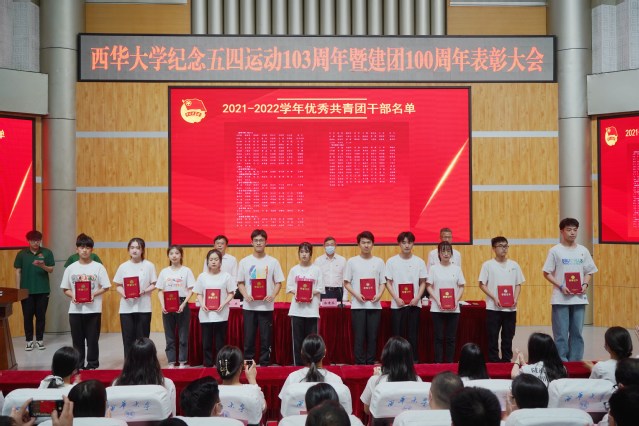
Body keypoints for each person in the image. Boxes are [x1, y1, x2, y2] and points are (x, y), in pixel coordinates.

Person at [543, 217, 598, 361]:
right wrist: (561, 286)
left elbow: (589, 271)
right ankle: (562, 362)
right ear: (562, 231)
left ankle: (575, 362)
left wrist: (585, 285)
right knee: (561, 334)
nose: (572, 233)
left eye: (575, 230)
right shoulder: (555, 251)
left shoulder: (583, 250)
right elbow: (546, 272)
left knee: (577, 333)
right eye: (569, 230)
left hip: (579, 298)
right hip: (560, 298)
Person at [60, 233, 111, 369]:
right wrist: (73, 296)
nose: (84, 250)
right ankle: (78, 365)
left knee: (92, 340)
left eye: (87, 248)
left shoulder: (98, 267)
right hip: (75, 310)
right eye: (82, 247)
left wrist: (93, 294)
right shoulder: (71, 268)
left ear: (91, 250)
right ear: (77, 249)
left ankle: (92, 365)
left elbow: (106, 286)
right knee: (77, 340)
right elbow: (65, 288)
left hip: (93, 310)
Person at [237, 229, 285, 366]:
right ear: (251, 243)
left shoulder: (273, 262)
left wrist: (273, 295)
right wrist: (246, 295)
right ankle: (248, 364)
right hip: (249, 307)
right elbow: (240, 282)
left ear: (266, 242)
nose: (258, 243)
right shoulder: (244, 262)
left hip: (266, 307)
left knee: (266, 339)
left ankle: (265, 364)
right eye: (256, 240)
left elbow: (279, 282)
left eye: (261, 240)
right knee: (249, 339)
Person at [478, 236, 525, 363]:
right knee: (492, 336)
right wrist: (494, 297)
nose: (504, 248)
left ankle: (506, 360)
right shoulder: (488, 265)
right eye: (500, 246)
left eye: (506, 246)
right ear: (493, 248)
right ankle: (493, 361)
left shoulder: (514, 265)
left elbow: (518, 284)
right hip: (493, 308)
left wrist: (515, 298)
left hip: (510, 308)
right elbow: (482, 284)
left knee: (508, 336)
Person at [344, 231, 386, 365]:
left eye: (369, 242)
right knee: (359, 337)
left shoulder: (379, 262)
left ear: (373, 244)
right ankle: (360, 364)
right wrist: (356, 295)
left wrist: (379, 295)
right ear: (358, 244)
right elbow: (346, 282)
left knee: (373, 337)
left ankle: (370, 363)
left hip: (374, 305)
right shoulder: (352, 262)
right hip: (358, 306)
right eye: (363, 242)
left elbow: (383, 282)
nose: (366, 245)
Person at [384, 231, 428, 362]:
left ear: (413, 244)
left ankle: (413, 361)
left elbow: (423, 282)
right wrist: (396, 298)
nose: (407, 245)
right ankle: (396, 361)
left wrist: (417, 298)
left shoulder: (419, 262)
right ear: (399, 244)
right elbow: (388, 282)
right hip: (398, 304)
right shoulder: (391, 261)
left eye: (409, 242)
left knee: (413, 335)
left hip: (414, 304)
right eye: (403, 243)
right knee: (397, 336)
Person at [113, 237, 158, 357]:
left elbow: (154, 284)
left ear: (142, 250)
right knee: (128, 339)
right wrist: (125, 294)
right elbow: (118, 285)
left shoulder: (149, 265)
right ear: (128, 250)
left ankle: (144, 363)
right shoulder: (123, 266)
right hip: (126, 308)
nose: (135, 250)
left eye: (138, 248)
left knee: (143, 339)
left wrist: (144, 291)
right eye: (132, 247)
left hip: (144, 307)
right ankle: (129, 364)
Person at [113, 337, 177, 415]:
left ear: (129, 359)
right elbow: (172, 416)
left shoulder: (116, 384)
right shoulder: (167, 385)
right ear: (154, 359)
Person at [194, 249, 236, 367]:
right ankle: (207, 363)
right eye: (211, 259)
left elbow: (231, 293)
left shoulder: (226, 276)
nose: (213, 262)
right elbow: (198, 293)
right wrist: (202, 304)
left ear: (220, 262)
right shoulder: (202, 276)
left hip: (221, 313)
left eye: (216, 259)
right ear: (207, 262)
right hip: (205, 314)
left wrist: (223, 304)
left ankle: (220, 363)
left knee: (220, 342)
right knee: (206, 342)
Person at [14, 230, 54, 351]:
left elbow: (51, 269)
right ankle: (29, 341)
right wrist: (18, 290)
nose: (36, 243)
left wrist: (43, 266)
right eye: (33, 241)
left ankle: (40, 340)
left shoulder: (47, 252)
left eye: (38, 240)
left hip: (43, 290)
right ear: (28, 241)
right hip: (26, 291)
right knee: (27, 317)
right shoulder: (21, 254)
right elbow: (18, 271)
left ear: (40, 240)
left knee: (41, 317)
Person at [156, 245, 195, 368]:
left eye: (177, 253)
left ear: (181, 255)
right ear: (168, 256)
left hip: (182, 303)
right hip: (167, 303)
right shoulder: (164, 272)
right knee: (169, 336)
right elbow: (160, 290)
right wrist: (163, 305)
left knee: (183, 336)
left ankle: (182, 361)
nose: (174, 256)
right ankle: (171, 362)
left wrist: (184, 304)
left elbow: (191, 290)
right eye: (171, 253)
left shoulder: (186, 271)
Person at [426, 240, 466, 363]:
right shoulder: (433, 269)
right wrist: (437, 300)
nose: (446, 253)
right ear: (438, 253)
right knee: (438, 338)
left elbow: (461, 286)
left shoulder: (457, 269)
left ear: (452, 253)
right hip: (437, 308)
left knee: (451, 338)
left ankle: (450, 363)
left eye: (448, 251)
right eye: (443, 251)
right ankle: (438, 363)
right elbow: (428, 286)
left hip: (454, 309)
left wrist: (456, 300)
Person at [360, 336, 421, 414]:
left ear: (386, 356)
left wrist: (377, 378)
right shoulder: (417, 380)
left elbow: (367, 410)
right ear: (409, 359)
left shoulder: (375, 381)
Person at [286, 243, 324, 366]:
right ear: (298, 254)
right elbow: (289, 287)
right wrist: (298, 293)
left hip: (311, 311)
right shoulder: (294, 270)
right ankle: (298, 365)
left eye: (306, 252)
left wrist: (309, 293)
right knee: (297, 341)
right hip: (297, 310)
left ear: (310, 254)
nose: (304, 254)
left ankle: (312, 365)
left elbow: (320, 288)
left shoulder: (317, 270)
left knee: (312, 341)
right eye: (302, 252)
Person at [279, 334, 343, 400]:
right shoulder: (336, 380)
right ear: (324, 352)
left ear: (302, 353)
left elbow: (285, 404)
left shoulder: (292, 378)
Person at [215, 345, 267, 412]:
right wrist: (252, 380)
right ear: (240, 368)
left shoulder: (212, 392)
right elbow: (263, 408)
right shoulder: (250, 391)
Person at [314, 236, 346, 301]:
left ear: (335, 246)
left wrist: (345, 296)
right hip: (323, 292)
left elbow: (345, 279)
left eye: (332, 244)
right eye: (327, 245)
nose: (330, 247)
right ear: (324, 246)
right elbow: (315, 280)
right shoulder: (318, 260)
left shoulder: (342, 260)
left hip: (338, 291)